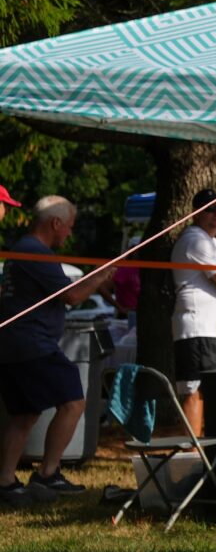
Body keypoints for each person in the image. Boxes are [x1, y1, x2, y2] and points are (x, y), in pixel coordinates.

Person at [0, 194, 113, 501]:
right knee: (73, 402)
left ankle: (6, 482)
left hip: (15, 345)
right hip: (32, 344)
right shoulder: (36, 253)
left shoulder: (22, 250)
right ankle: (48, 473)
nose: (70, 234)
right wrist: (102, 273)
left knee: (24, 415)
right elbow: (73, 296)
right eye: (70, 227)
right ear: (55, 223)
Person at [171, 189, 216, 436]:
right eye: (209, 209)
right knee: (195, 391)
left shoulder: (214, 244)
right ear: (196, 213)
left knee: (208, 391)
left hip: (213, 329)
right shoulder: (195, 240)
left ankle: (201, 452)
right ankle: (191, 454)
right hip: (198, 327)